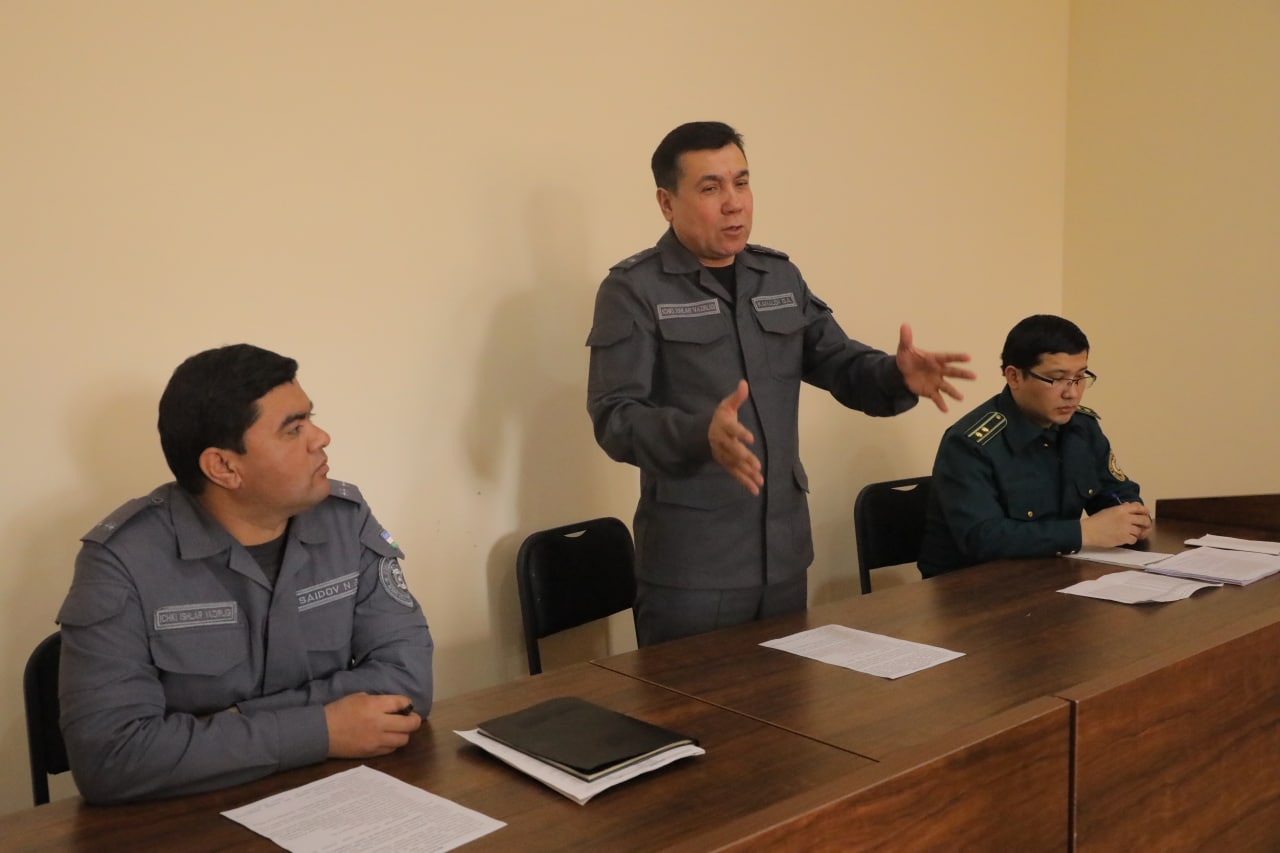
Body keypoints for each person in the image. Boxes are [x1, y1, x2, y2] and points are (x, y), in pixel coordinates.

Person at [586, 121, 974, 646]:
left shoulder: (778, 278)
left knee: (787, 696)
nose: (734, 203)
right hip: (693, 567)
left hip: (784, 556)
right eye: (710, 187)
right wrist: (700, 433)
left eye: (741, 183)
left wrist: (895, 374)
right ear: (666, 202)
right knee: (696, 700)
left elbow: (839, 361)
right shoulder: (634, 290)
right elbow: (614, 416)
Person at [57, 344, 433, 804]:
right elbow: (111, 758)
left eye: (310, 418)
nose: (322, 437)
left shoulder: (346, 520)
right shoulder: (122, 560)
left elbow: (408, 682)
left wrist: (227, 727)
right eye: (293, 429)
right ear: (223, 467)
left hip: (339, 797)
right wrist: (321, 730)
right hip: (192, 816)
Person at [918, 314, 1150, 577]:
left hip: (1050, 575)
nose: (1072, 393)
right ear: (1014, 377)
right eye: (1056, 379)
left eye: (1079, 377)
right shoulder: (969, 444)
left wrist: (1131, 515)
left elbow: (1115, 490)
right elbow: (981, 538)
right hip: (970, 588)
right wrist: (1082, 532)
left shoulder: (1082, 428)